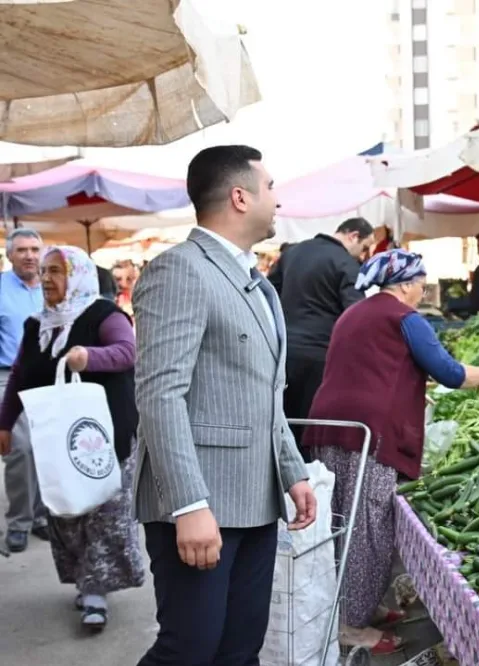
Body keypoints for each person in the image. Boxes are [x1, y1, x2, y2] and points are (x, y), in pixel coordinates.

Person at [133, 145, 316, 665]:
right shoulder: (180, 270)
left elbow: (264, 393)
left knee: (240, 649)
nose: (278, 200)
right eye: (272, 186)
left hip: (256, 499)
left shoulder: (258, 282)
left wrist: (292, 470)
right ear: (240, 196)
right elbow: (159, 394)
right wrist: (188, 504)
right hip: (200, 504)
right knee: (189, 649)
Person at [303, 249, 479, 654]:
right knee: (368, 529)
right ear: (408, 284)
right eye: (423, 285)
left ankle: (359, 608)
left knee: (343, 522)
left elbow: (368, 367)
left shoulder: (354, 313)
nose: (422, 292)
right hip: (369, 437)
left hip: (332, 427)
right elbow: (451, 373)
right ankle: (352, 628)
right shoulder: (405, 318)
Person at [0, 246, 144, 630]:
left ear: (77, 274)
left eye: (57, 271)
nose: (47, 278)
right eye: (44, 271)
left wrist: (89, 357)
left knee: (103, 512)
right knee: (66, 512)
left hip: (104, 436)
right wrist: (4, 423)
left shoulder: (104, 314)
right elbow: (19, 376)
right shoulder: (38, 325)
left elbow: (127, 352)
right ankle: (84, 580)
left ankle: (96, 591)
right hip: (56, 439)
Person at [268, 217, 375, 460]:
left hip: (284, 353)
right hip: (321, 357)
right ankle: (307, 484)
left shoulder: (294, 252)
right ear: (353, 236)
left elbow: (268, 293)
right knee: (310, 429)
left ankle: (282, 483)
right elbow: (357, 316)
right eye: (365, 246)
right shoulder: (346, 264)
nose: (365, 254)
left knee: (283, 423)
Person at [0, 228, 46, 553]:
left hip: (51, 379)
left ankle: (42, 516)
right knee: (22, 449)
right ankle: (19, 521)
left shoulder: (55, 283)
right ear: (9, 255)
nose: (29, 255)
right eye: (22, 250)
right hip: (7, 378)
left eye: (34, 249)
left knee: (47, 449)